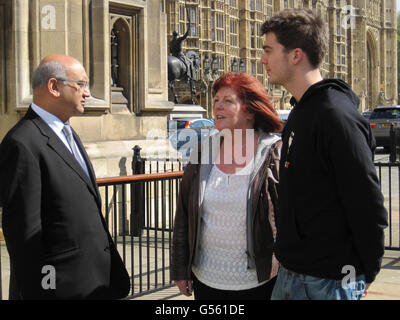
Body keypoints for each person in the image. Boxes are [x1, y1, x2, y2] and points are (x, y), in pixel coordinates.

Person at [260, 8, 388, 300]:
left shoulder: (335, 116)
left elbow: (368, 205)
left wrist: (366, 270)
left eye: (268, 50)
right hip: (292, 275)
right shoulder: (301, 112)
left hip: (328, 281)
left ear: (295, 55)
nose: (262, 59)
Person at [0, 54, 130, 300]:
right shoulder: (22, 143)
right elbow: (25, 236)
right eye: (80, 84)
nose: (87, 93)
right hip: (62, 289)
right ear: (54, 87)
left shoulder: (67, 133)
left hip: (96, 282)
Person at [171, 72, 283, 300]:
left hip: (259, 282)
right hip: (207, 280)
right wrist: (180, 269)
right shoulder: (203, 151)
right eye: (216, 100)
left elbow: (289, 217)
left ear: (250, 110)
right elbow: (184, 212)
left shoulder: (274, 153)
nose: (217, 107)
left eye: (228, 101)